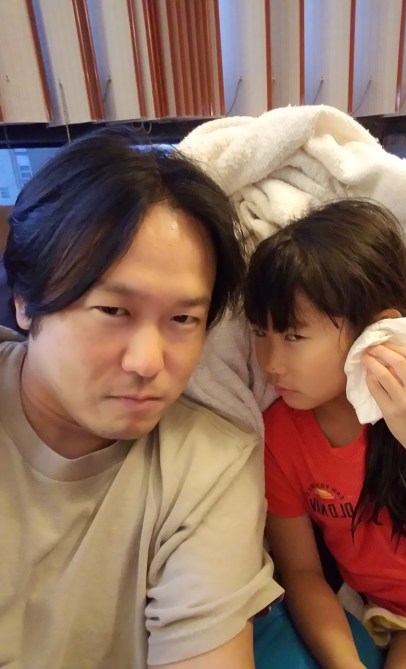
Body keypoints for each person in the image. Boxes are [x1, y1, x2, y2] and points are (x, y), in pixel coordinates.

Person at [0, 125, 290, 669]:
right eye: (113, 311)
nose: (148, 362)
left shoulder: (209, 466)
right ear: (25, 303)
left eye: (183, 319)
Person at [244, 198, 406, 669]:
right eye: (261, 332)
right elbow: (302, 573)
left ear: (375, 332)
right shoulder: (279, 436)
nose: (271, 362)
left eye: (294, 336)